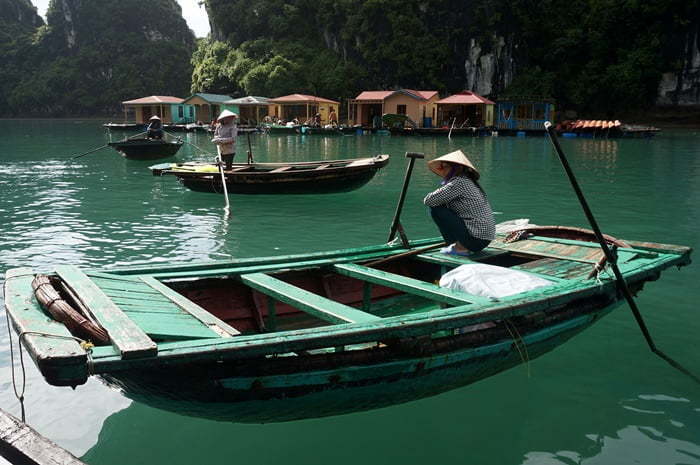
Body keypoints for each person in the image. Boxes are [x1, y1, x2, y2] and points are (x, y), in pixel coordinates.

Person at [423, 149, 495, 256]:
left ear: (457, 168)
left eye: (445, 166)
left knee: (436, 209)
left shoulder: (459, 182)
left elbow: (428, 200)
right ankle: (460, 244)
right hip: (484, 239)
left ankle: (460, 247)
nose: (442, 169)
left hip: (476, 240)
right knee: (440, 205)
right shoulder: (468, 181)